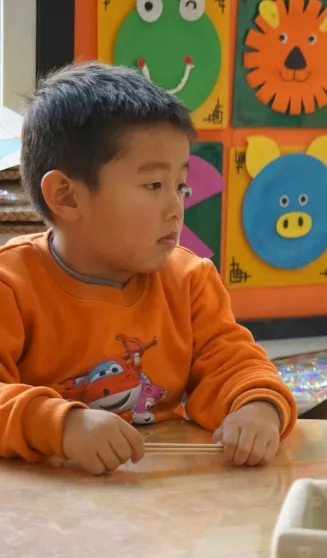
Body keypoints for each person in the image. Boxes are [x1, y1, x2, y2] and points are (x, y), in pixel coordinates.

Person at [0, 62, 297, 474]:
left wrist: (257, 407)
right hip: (45, 512)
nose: (176, 208)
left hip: (159, 500)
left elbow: (234, 363)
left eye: (181, 186)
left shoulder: (189, 280)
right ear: (66, 197)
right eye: (154, 186)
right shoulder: (11, 285)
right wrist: (62, 425)